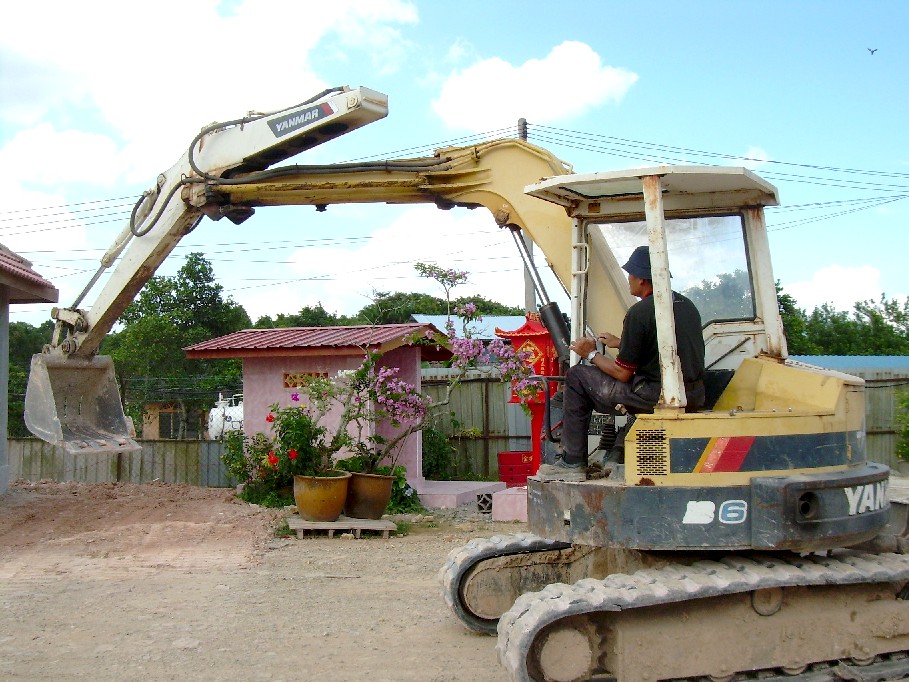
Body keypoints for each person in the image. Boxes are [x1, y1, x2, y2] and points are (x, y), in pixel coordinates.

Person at [537, 245, 706, 482]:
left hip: (656, 394)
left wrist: (591, 354)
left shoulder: (640, 312)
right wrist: (621, 342)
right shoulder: (686, 306)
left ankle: (572, 462)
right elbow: (665, 345)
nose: (629, 279)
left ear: (642, 279)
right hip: (694, 392)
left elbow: (623, 374)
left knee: (577, 376)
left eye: (631, 275)